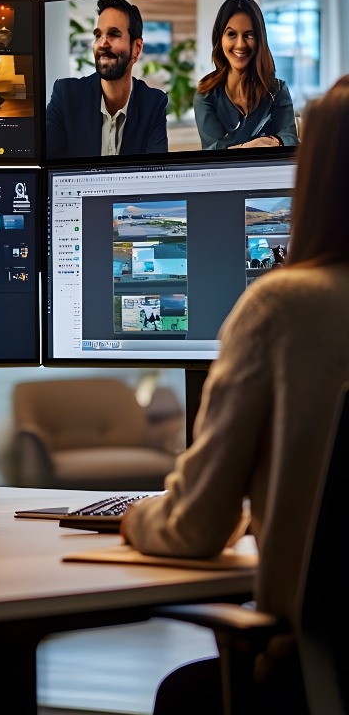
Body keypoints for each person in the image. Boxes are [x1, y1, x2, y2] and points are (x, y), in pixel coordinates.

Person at [121, 75, 349, 714]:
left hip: (314, 677)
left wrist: (137, 517)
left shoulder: (283, 305)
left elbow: (196, 528)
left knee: (185, 697)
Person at [46, 0, 168, 159]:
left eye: (114, 34)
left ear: (136, 49)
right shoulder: (66, 95)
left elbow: (155, 173)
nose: (102, 44)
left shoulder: (153, 103)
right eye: (98, 35)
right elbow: (49, 168)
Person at [193, 0, 300, 150]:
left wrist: (274, 140)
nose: (241, 44)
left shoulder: (277, 90)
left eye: (249, 35)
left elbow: (289, 138)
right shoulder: (206, 95)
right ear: (219, 39)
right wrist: (260, 144)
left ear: (259, 40)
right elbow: (212, 150)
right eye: (231, 34)